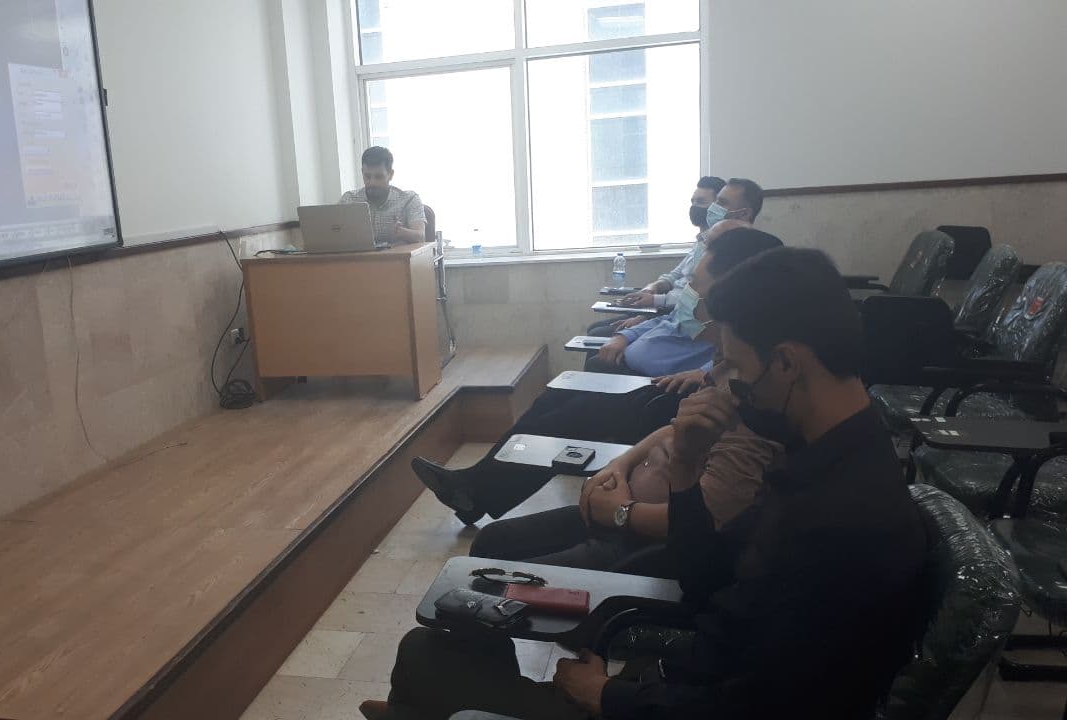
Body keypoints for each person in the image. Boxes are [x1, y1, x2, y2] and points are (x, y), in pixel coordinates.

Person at [363, 247, 928, 720]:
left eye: (739, 370)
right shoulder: (826, 459)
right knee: (448, 642)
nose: (732, 389)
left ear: (786, 363)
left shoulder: (846, 522)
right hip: (686, 674)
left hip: (684, 703)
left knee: (426, 658)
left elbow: (758, 706)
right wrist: (685, 468)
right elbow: (706, 576)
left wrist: (609, 696)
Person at [412, 228, 783, 524]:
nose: (689, 294)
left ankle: (477, 491)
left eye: (697, 288)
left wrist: (701, 374)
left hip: (664, 391)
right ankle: (477, 488)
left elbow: (727, 370)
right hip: (649, 379)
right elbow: (675, 323)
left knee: (574, 416)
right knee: (553, 399)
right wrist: (627, 337)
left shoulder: (745, 339)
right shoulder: (710, 296)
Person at [465, 387, 782, 571]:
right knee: (491, 541)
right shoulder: (726, 377)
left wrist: (621, 513)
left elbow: (708, 516)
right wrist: (617, 466)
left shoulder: (754, 427)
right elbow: (672, 428)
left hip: (642, 543)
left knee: (495, 583)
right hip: (612, 515)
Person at [587, 177, 726, 337]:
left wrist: (648, 311)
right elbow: (674, 276)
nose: (694, 207)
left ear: (716, 208)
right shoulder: (700, 242)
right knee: (594, 328)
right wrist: (653, 287)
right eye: (692, 202)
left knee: (598, 334)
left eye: (700, 202)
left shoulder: (719, 249)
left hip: (676, 314)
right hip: (663, 307)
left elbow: (695, 296)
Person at [340, 146, 427, 246]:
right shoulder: (349, 200)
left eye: (378, 177)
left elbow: (421, 237)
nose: (372, 182)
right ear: (362, 172)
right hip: (359, 256)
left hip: (398, 255)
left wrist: (402, 232)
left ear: (390, 174)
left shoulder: (409, 199)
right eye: (367, 176)